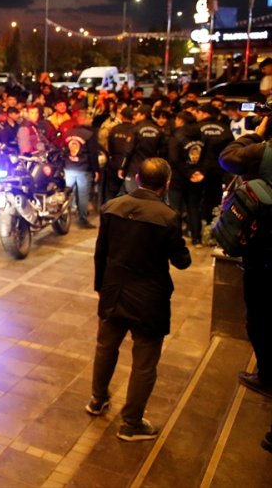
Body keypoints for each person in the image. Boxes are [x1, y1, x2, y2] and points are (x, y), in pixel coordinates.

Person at [86, 157, 191, 441]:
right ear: (166, 183)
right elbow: (182, 261)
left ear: (137, 178)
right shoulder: (167, 216)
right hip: (149, 298)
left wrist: (101, 288)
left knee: (105, 348)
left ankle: (97, 400)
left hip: (114, 291)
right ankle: (131, 422)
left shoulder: (112, 207)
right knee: (144, 362)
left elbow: (101, 253)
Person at [218, 113, 272, 454]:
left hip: (264, 252)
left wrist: (255, 133)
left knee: (261, 317)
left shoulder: (262, 151)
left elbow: (229, 157)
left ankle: (267, 372)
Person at [167, 110, 205, 246]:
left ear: (181, 120)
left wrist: (188, 173)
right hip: (196, 177)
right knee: (194, 208)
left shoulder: (176, 136)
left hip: (178, 178)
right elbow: (206, 156)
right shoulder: (200, 135)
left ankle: (175, 240)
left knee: (175, 209)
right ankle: (197, 238)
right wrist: (198, 172)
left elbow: (174, 159)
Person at [60, 107, 100, 227]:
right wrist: (96, 170)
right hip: (83, 169)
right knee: (83, 194)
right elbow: (93, 153)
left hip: (69, 167)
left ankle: (63, 214)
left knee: (67, 193)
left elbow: (64, 150)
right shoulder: (90, 134)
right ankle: (82, 219)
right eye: (89, 118)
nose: (91, 120)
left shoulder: (68, 132)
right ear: (83, 119)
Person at [120, 106, 164, 194]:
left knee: (133, 196)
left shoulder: (135, 130)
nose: (134, 116)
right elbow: (162, 152)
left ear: (143, 115)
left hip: (135, 169)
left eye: (137, 114)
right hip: (152, 169)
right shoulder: (159, 131)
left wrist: (122, 167)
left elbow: (128, 150)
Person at [103, 107, 135, 201]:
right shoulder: (135, 130)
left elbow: (109, 148)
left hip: (114, 163)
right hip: (129, 165)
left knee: (111, 192)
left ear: (122, 116)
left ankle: (110, 213)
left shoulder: (114, 129)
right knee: (129, 194)